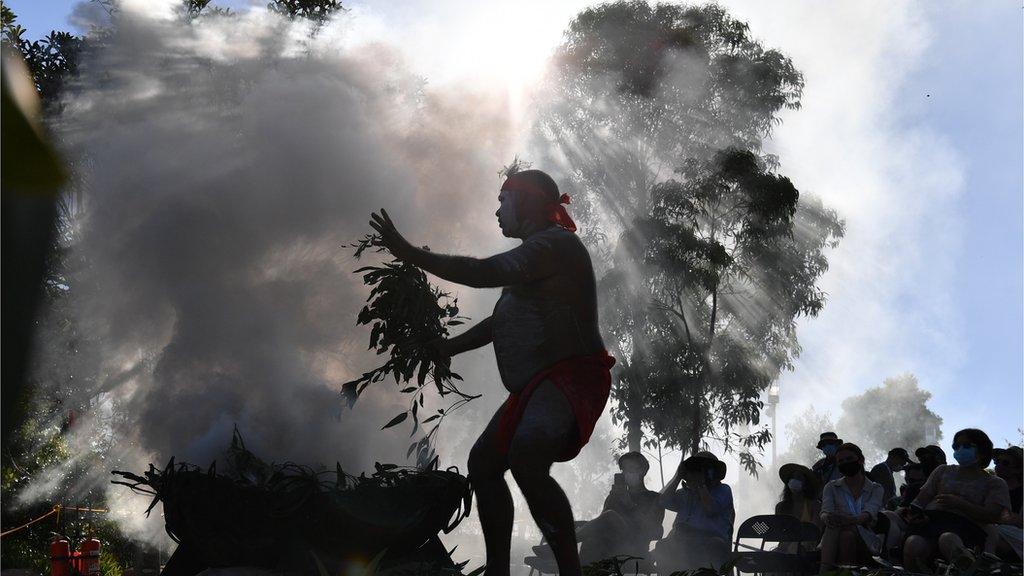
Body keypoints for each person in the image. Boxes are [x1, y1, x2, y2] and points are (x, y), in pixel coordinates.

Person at [368, 169, 613, 576]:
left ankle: (571, 572)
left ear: (529, 203)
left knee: (527, 456)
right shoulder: (533, 260)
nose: (497, 210)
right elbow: (501, 322)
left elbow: (484, 272)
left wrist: (411, 254)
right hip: (537, 387)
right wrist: (446, 347)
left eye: (504, 201)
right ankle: (498, 570)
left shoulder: (554, 245)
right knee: (484, 463)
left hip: (571, 376)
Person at [899, 428, 1011, 572]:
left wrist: (960, 504)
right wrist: (915, 515)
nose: (960, 450)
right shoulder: (943, 471)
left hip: (968, 528)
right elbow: (920, 501)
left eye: (966, 446)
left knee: (948, 540)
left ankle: (973, 570)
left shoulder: (994, 483)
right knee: (913, 544)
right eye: (956, 446)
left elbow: (994, 515)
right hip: (931, 524)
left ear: (982, 451)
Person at [575, 452, 665, 564]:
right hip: (608, 546)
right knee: (585, 533)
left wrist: (629, 504)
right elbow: (600, 523)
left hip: (634, 547)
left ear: (642, 470)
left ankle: (566, 542)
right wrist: (613, 499)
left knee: (610, 515)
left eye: (631, 468)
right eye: (624, 470)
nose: (626, 473)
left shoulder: (654, 498)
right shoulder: (615, 496)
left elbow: (655, 530)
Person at [654, 451, 735, 572]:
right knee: (662, 546)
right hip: (683, 540)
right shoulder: (685, 493)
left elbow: (710, 509)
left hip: (711, 541)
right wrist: (678, 477)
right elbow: (663, 502)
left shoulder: (723, 490)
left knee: (707, 547)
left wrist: (700, 486)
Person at [818, 443, 885, 573]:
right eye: (841, 461)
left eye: (849, 459)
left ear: (861, 460)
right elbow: (825, 511)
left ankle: (823, 571)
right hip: (839, 535)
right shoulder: (831, 487)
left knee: (836, 527)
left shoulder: (876, 489)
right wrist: (828, 517)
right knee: (846, 536)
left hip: (868, 539)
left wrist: (846, 520)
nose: (845, 463)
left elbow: (867, 515)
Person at [775, 463, 822, 554]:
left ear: (806, 484)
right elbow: (778, 532)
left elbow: (816, 531)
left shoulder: (815, 505)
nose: (794, 480)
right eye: (792, 478)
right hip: (783, 551)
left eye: (799, 478)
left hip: (806, 551)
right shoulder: (780, 507)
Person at [989, 445, 1023, 560]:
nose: (999, 466)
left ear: (1018, 469)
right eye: (997, 461)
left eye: (1005, 463)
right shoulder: (990, 490)